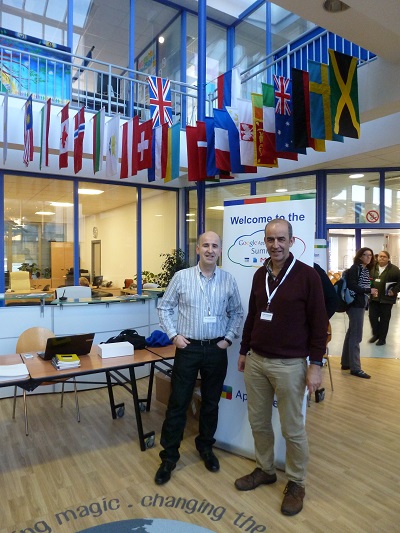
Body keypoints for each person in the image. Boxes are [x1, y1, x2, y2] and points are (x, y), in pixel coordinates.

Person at [234, 219, 328, 517]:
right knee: (259, 422)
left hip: (290, 364)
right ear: (265, 241)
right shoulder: (260, 274)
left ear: (291, 241)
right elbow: (253, 315)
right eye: (270, 239)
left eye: (281, 239)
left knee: (292, 429)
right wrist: (244, 350)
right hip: (257, 361)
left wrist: (315, 365)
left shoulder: (308, 276)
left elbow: (319, 325)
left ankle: (297, 482)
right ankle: (265, 469)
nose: (275, 245)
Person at [155, 231, 243, 485]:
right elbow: (164, 307)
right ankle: (169, 457)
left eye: (215, 246)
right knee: (178, 403)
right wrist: (174, 335)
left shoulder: (228, 280)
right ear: (198, 249)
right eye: (206, 245)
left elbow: (237, 312)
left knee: (211, 403)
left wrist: (228, 338)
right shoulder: (181, 277)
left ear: (220, 251)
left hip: (216, 349)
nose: (210, 250)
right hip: (189, 349)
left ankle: (205, 446)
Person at [341, 248, 378, 378]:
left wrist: (369, 291)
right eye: (365, 255)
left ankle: (346, 362)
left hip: (359, 303)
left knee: (351, 332)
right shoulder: (355, 268)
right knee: (356, 336)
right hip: (355, 304)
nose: (368, 257)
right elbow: (352, 286)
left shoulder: (364, 269)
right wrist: (368, 290)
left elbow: (360, 285)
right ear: (360, 256)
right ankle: (355, 368)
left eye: (370, 255)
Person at [368, 251, 400, 346]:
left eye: (384, 256)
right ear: (377, 258)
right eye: (380, 256)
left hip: (387, 299)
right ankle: (376, 334)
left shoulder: (395, 269)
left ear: (388, 258)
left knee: (384, 320)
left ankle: (382, 339)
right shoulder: (372, 268)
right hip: (374, 298)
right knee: (372, 317)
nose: (382, 258)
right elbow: (368, 280)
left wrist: (394, 291)